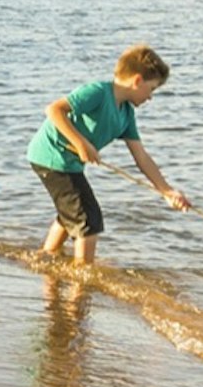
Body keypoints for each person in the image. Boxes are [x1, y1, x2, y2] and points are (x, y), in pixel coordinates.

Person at [28, 44, 187, 264]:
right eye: (151, 89)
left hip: (70, 164)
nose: (150, 97)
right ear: (137, 81)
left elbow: (141, 157)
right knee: (88, 219)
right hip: (51, 156)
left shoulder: (126, 113)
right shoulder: (98, 92)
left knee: (72, 212)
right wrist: (82, 144)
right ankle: (82, 278)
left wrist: (167, 191)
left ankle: (45, 257)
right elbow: (54, 110)